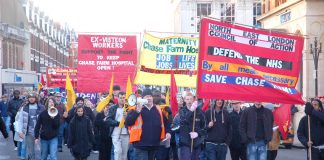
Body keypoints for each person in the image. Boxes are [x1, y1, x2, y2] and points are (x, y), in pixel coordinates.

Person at [125, 89, 171, 160]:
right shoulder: (135, 109)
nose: (149, 98)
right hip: (140, 145)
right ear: (142, 99)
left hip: (154, 145)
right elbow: (128, 122)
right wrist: (137, 111)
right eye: (146, 96)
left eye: (150, 96)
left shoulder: (158, 110)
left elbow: (167, 123)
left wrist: (168, 132)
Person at [16, 92, 45, 160]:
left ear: (36, 98)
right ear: (28, 98)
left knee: (39, 150)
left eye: (33, 97)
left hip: (39, 133)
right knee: (30, 151)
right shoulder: (24, 108)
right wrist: (20, 131)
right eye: (30, 97)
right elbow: (20, 120)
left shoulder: (42, 108)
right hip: (28, 133)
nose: (31, 99)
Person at [178, 92, 206, 160]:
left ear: (193, 100)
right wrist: (191, 110)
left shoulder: (199, 111)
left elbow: (204, 127)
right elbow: (183, 122)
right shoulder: (182, 111)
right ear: (184, 100)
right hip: (185, 142)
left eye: (191, 99)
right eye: (187, 99)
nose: (189, 101)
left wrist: (197, 133)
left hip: (197, 143)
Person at [107, 92, 129, 160]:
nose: (122, 99)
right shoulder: (112, 108)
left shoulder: (128, 108)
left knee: (124, 155)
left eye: (123, 98)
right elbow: (108, 119)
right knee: (117, 151)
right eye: (120, 98)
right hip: (115, 132)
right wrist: (118, 123)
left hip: (125, 133)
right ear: (117, 98)